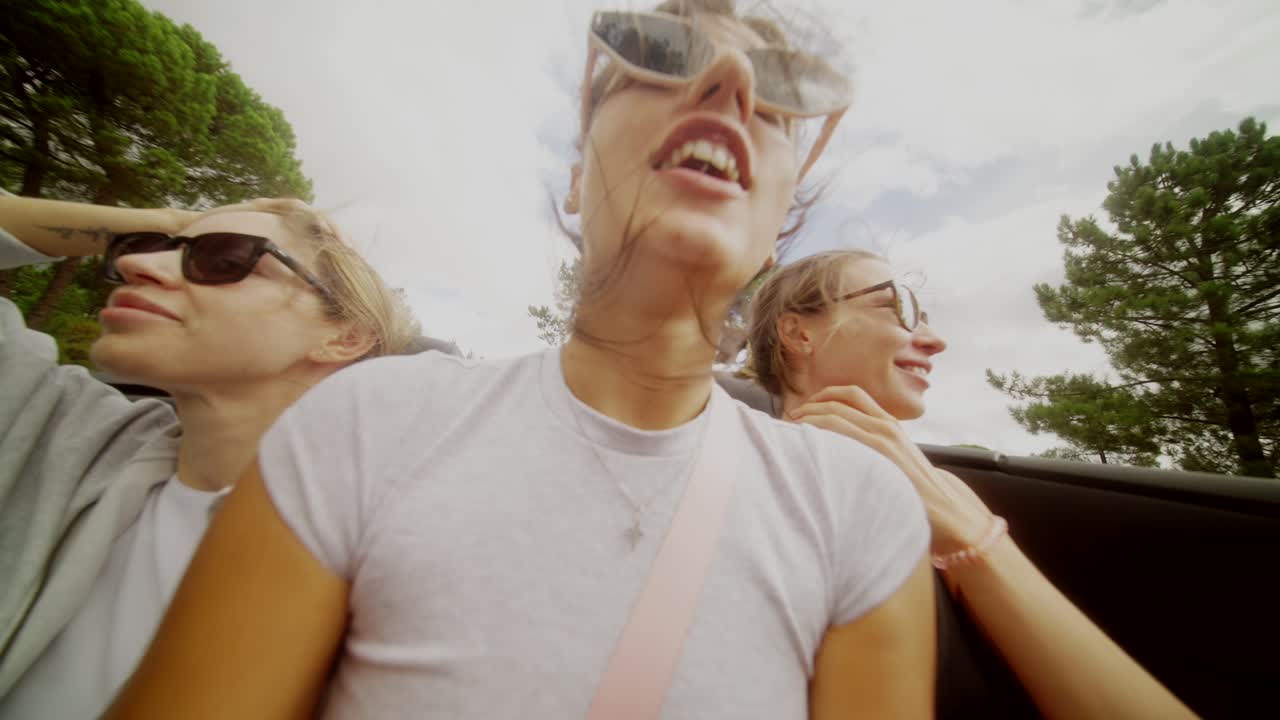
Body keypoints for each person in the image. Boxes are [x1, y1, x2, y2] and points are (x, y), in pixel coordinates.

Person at [107, 2, 938, 718]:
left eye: (778, 96)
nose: (730, 87)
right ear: (575, 181)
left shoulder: (860, 512)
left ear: (778, 226)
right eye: (657, 59)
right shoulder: (369, 425)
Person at [0, 195, 419, 719]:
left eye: (225, 258)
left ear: (346, 336)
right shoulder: (59, 431)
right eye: (139, 248)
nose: (136, 264)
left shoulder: (399, 568)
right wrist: (166, 220)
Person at [746, 248, 1200, 719]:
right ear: (799, 332)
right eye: (897, 306)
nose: (934, 340)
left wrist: (968, 536)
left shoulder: (943, 491)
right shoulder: (744, 477)